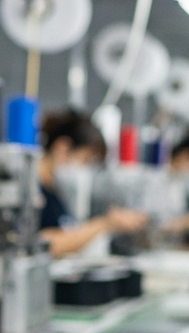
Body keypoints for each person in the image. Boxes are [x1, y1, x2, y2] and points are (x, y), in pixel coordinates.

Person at [38, 108, 148, 258]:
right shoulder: (33, 192)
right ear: (62, 149)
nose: (85, 169)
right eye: (85, 160)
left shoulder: (55, 192)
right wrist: (106, 223)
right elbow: (44, 244)